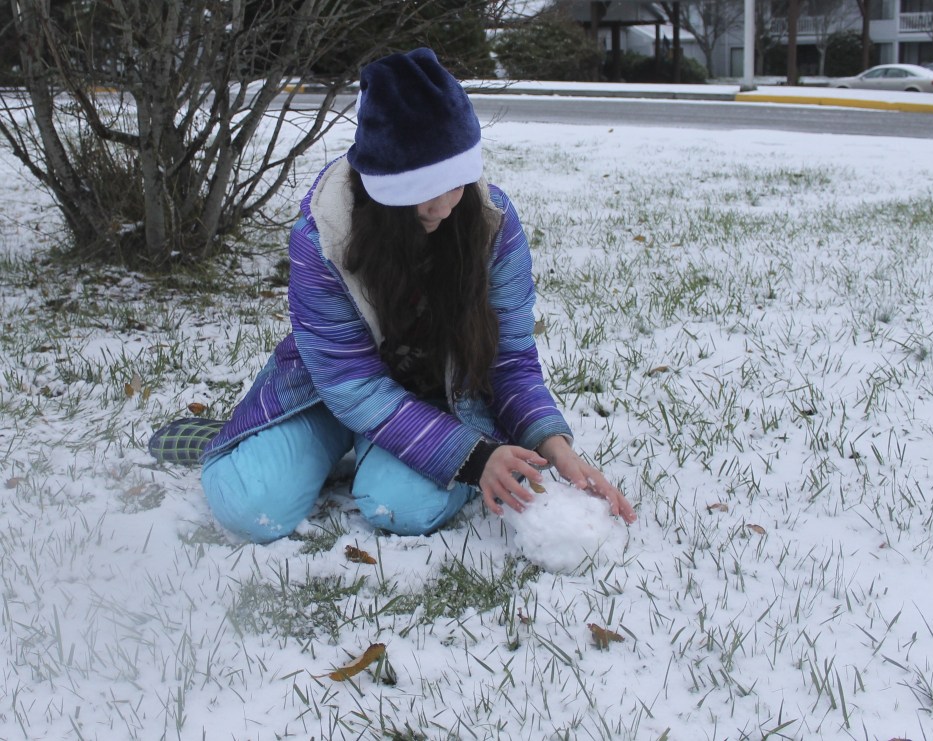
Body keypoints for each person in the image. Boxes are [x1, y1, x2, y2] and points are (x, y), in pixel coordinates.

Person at [150, 48, 636, 542]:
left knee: (400, 507)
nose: (445, 205)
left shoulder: (493, 226)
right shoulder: (325, 235)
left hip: (440, 400)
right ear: (382, 187)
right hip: (332, 393)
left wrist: (557, 450)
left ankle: (365, 456)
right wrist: (474, 457)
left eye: (456, 183)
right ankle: (268, 443)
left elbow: (509, 361)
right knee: (249, 507)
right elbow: (350, 383)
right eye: (424, 188)